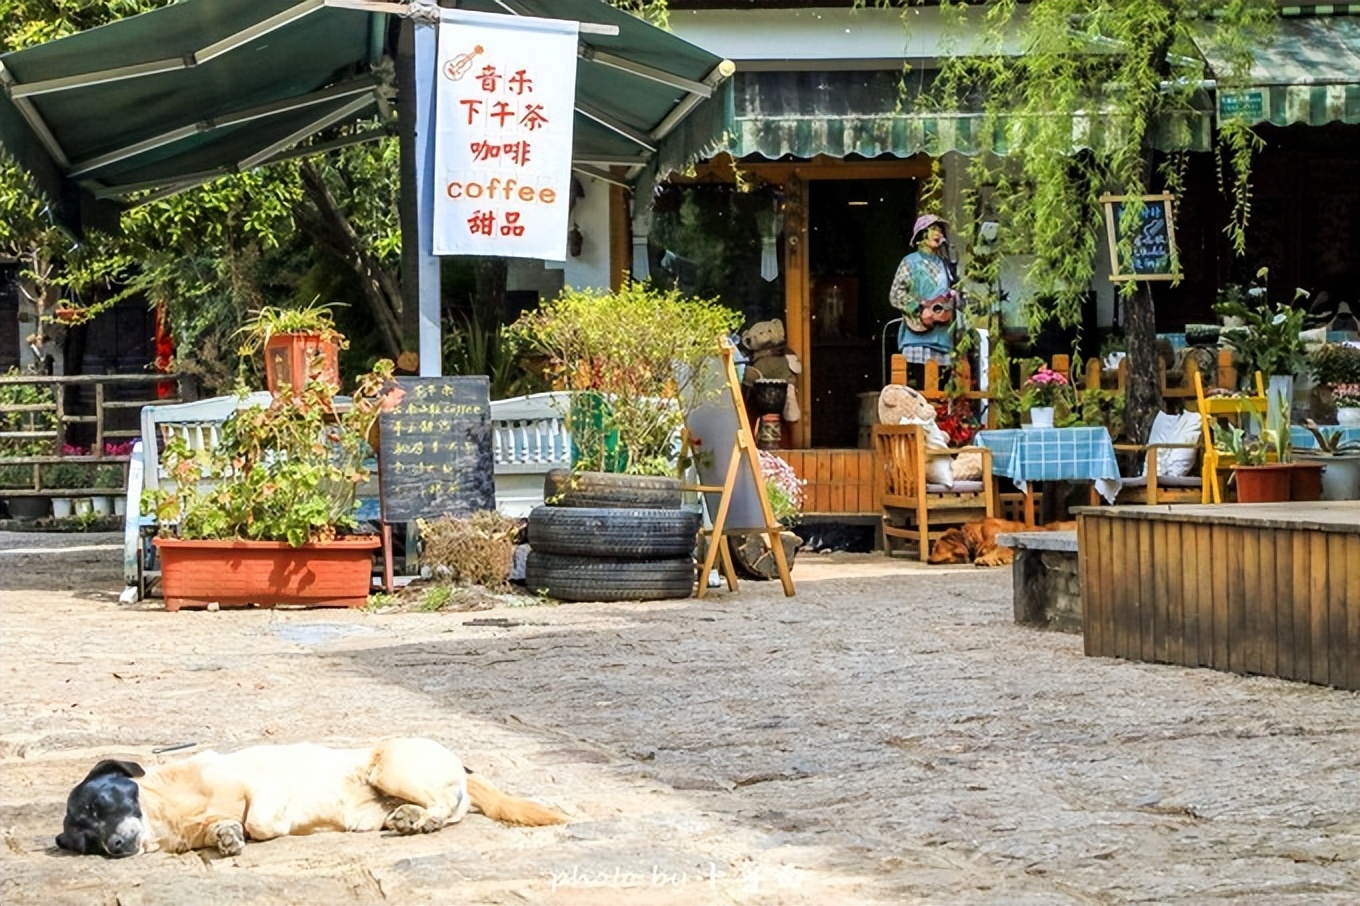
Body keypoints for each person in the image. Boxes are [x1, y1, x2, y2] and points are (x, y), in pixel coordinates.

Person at [890, 214, 961, 387]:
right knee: (920, 389)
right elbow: (896, 294)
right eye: (933, 229)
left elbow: (953, 294)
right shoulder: (910, 262)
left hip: (943, 337)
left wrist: (956, 297)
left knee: (943, 389)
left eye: (940, 230)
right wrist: (919, 307)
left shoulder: (945, 264)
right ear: (922, 235)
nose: (938, 233)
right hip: (917, 336)